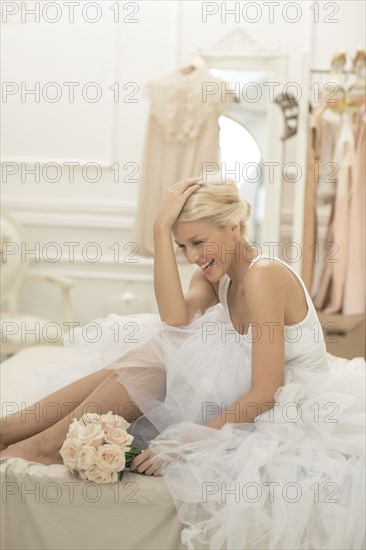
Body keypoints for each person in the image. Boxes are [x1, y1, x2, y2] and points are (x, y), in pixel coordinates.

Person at [1, 176, 365, 549]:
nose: (192, 256)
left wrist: (184, 441)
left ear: (234, 227)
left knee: (161, 354)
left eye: (198, 242)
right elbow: (174, 319)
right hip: (254, 393)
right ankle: (13, 430)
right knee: (161, 345)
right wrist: (159, 229)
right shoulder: (215, 276)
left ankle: (40, 444)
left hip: (291, 410)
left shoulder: (264, 277)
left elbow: (266, 393)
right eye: (181, 246)